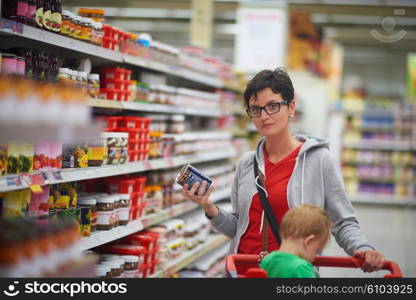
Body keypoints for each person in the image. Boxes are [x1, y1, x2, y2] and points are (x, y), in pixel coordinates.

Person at [181, 67, 385, 273]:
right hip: (243, 273)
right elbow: (237, 227)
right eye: (256, 109)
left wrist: (363, 248)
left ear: (291, 107)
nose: (264, 116)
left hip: (290, 274)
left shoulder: (319, 160)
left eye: (273, 106)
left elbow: (343, 222)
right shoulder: (246, 163)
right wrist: (208, 206)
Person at [260, 204, 331, 278]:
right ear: (308, 242)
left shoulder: (267, 260)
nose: (315, 257)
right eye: (317, 250)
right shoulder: (301, 268)